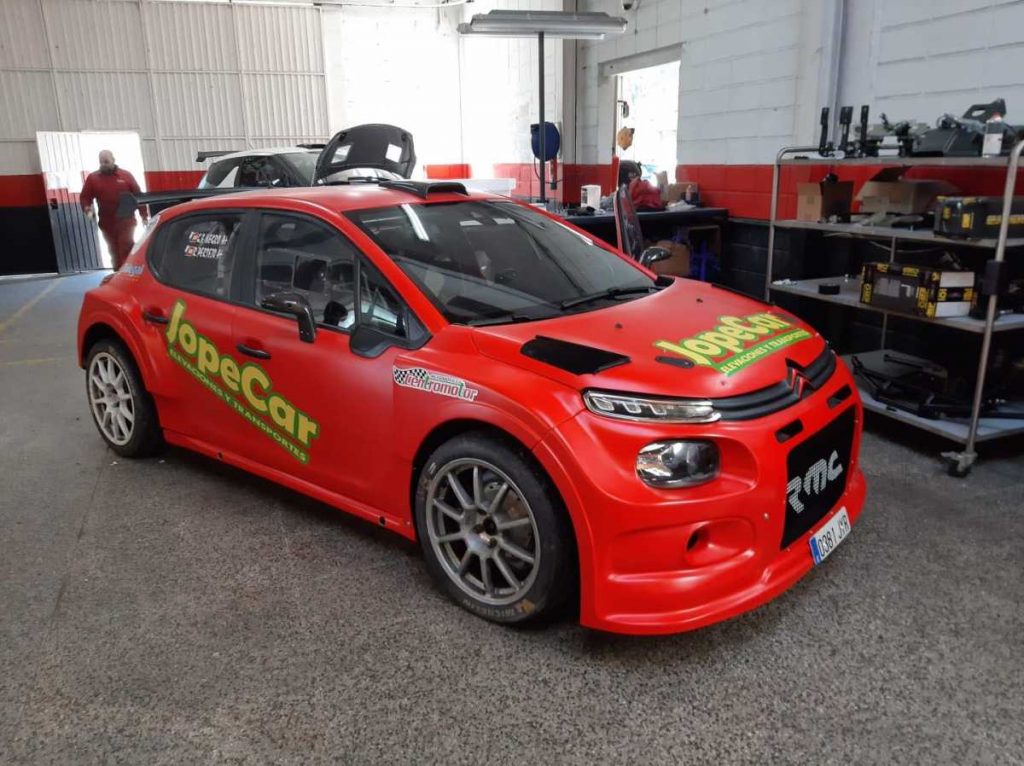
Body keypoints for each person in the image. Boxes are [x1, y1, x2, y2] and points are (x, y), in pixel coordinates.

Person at [80, 150, 148, 270]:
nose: (103, 164)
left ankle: (128, 272)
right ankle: (117, 272)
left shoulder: (126, 176)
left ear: (113, 160)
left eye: (106, 161)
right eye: (101, 162)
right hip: (106, 221)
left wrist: (144, 216)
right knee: (112, 249)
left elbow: (138, 196)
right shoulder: (93, 178)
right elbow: (85, 196)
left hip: (126, 220)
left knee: (126, 246)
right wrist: (87, 208)